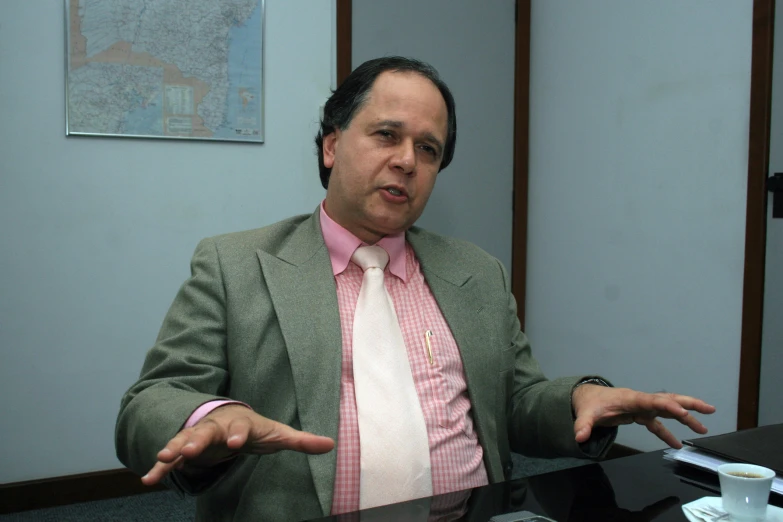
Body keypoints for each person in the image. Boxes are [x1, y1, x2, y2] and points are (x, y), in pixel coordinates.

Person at [115, 57, 715, 521]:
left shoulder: (475, 271)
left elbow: (515, 402)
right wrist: (212, 417)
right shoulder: (236, 262)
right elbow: (151, 400)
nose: (407, 160)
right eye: (386, 135)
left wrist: (580, 398)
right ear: (331, 146)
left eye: (427, 149)